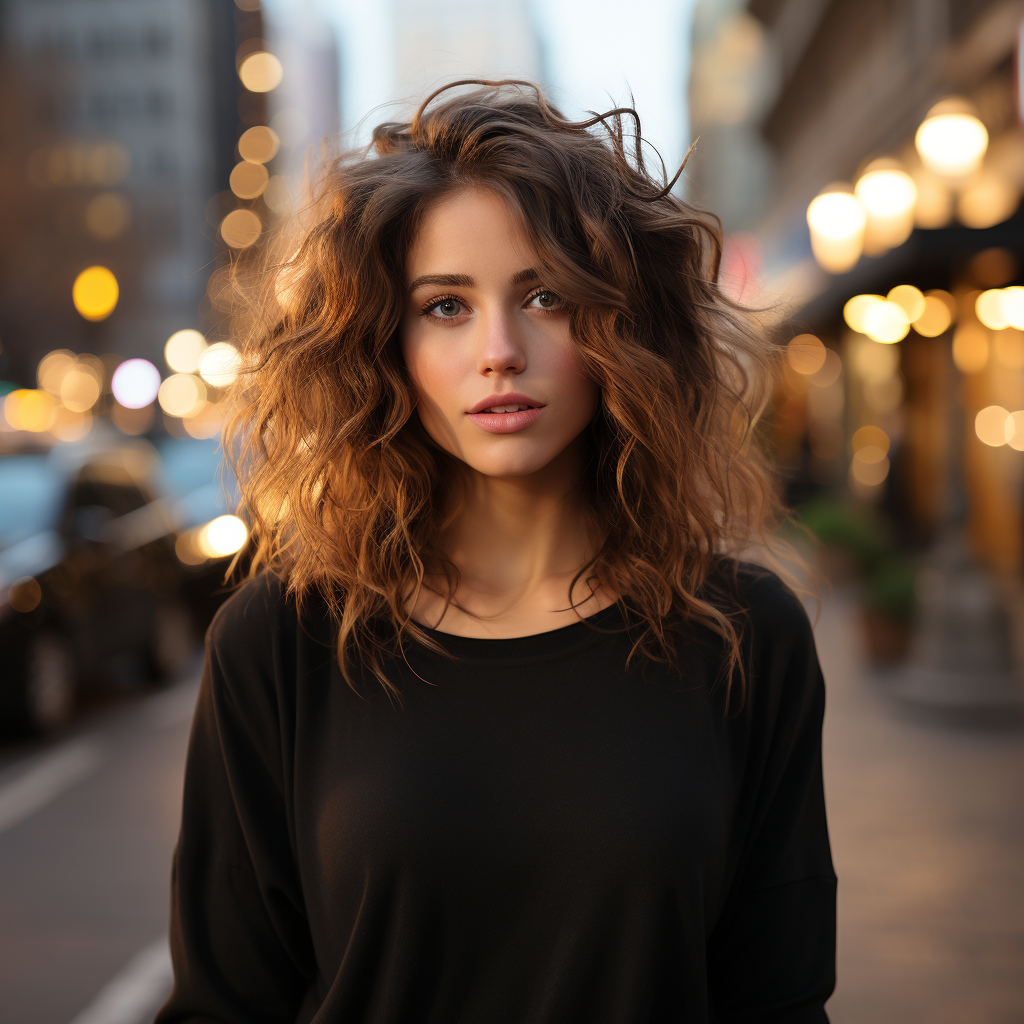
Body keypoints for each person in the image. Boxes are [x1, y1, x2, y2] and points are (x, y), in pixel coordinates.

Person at [156, 81, 836, 1024]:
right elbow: (224, 1006)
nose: (500, 351)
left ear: (623, 328)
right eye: (445, 306)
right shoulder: (281, 641)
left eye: (546, 296)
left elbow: (780, 999)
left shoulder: (745, 636)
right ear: (384, 344)